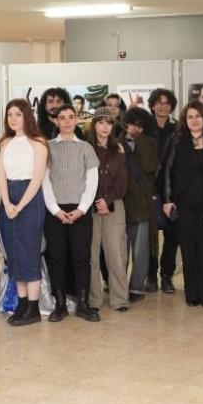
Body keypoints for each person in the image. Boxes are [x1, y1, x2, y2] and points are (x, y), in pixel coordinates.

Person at [42, 104, 100, 322]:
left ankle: (83, 304)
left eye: (70, 117)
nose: (67, 121)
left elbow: (92, 182)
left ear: (77, 120)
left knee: (81, 257)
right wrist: (55, 210)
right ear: (56, 121)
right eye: (62, 117)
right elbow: (43, 181)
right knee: (56, 257)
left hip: (80, 211)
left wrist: (82, 209)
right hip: (54, 211)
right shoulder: (47, 148)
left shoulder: (86, 148)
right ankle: (60, 305)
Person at [0, 99, 48, 326]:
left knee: (29, 253)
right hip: (8, 199)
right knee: (14, 254)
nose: (13, 118)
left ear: (27, 116)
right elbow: (0, 175)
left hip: (30, 200)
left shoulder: (38, 143)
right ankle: (22, 304)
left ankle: (33, 308)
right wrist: (7, 202)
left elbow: (37, 179)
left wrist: (19, 205)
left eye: (18, 114)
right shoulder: (5, 143)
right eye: (10, 114)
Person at [163, 101, 203, 308]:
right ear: (185, 120)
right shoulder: (177, 140)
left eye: (198, 116)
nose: (194, 120)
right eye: (190, 117)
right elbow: (167, 170)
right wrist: (168, 200)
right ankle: (192, 294)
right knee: (188, 249)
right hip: (183, 204)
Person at [87, 107, 130, 312]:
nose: (105, 127)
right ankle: (93, 300)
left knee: (116, 254)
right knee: (91, 255)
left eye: (109, 123)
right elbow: (83, 180)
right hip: (89, 206)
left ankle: (120, 299)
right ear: (94, 125)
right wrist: (98, 200)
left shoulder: (119, 149)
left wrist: (108, 200)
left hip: (115, 205)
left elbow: (122, 181)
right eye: (101, 122)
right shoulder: (85, 148)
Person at [122, 108, 160, 302]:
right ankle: (119, 286)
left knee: (141, 249)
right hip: (120, 203)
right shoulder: (116, 142)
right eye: (132, 123)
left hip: (142, 203)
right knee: (120, 251)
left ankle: (136, 287)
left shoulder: (149, 143)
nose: (135, 128)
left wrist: (139, 141)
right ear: (125, 123)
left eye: (139, 125)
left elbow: (150, 166)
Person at [147, 88, 179, 293]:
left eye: (167, 103)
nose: (162, 106)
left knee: (172, 233)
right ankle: (151, 274)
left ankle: (167, 275)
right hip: (148, 187)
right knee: (150, 235)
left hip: (171, 187)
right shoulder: (145, 127)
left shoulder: (177, 129)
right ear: (152, 105)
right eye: (159, 102)